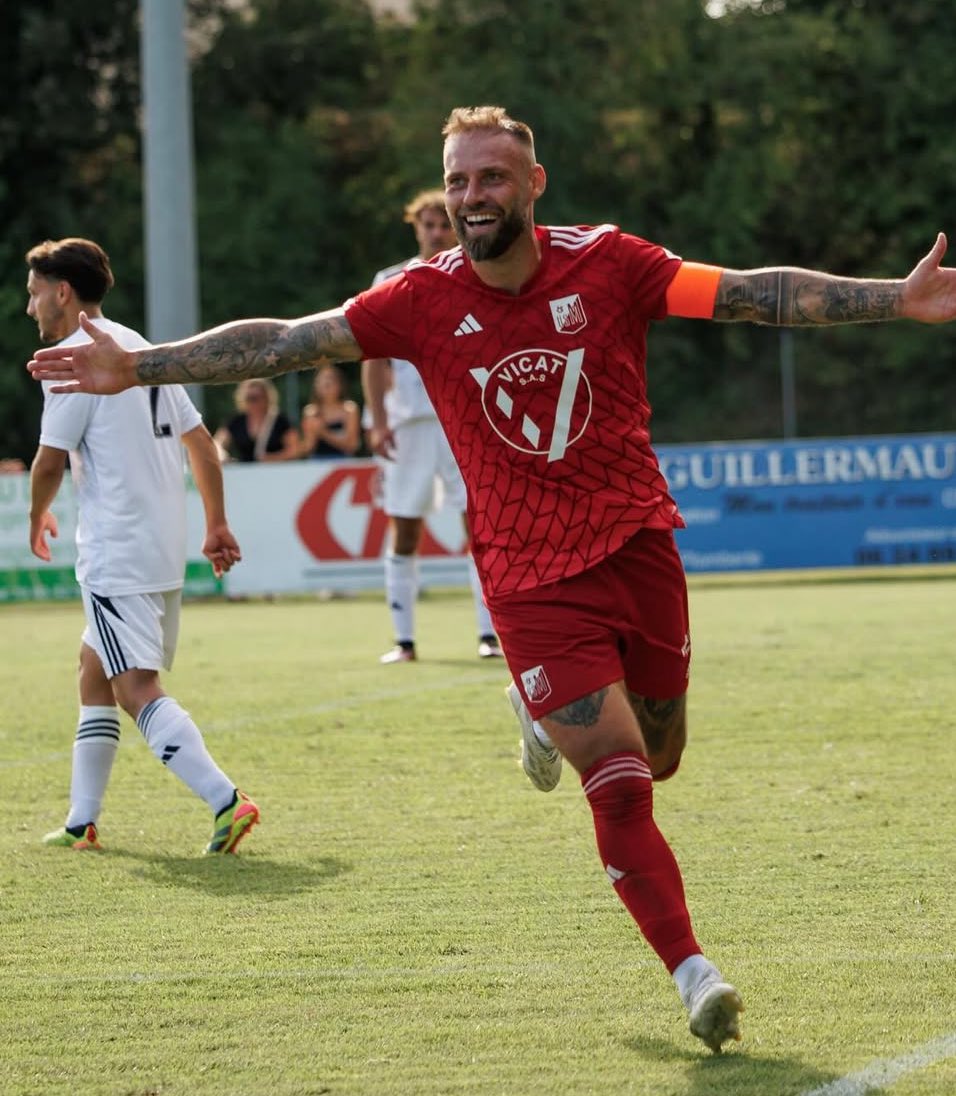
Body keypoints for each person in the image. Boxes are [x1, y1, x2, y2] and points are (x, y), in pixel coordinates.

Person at [27, 107, 956, 1052]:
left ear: (534, 184)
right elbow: (285, 341)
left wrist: (897, 297)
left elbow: (754, 294)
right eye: (460, 181)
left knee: (664, 749)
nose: (473, 198)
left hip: (636, 544)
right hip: (526, 576)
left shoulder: (611, 263)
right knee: (623, 782)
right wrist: (140, 364)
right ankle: (693, 973)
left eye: (492, 180)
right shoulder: (420, 297)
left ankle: (532, 707)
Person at [25, 237, 259, 855]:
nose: (30, 309)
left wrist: (36, 517)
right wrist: (216, 524)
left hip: (116, 552)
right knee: (92, 670)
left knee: (135, 687)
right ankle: (82, 820)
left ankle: (225, 801)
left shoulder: (72, 361)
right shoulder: (143, 351)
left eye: (33, 293)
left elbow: (49, 461)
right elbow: (203, 445)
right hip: (159, 548)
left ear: (62, 292)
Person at [361, 188, 503, 663]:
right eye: (429, 224)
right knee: (404, 527)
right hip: (411, 424)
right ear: (415, 226)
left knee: (479, 527)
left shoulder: (476, 273)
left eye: (444, 223)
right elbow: (373, 357)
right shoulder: (390, 280)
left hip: (465, 420)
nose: (437, 231)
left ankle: (490, 634)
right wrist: (378, 421)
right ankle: (404, 641)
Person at [213, 377, 299, 462]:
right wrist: (222, 455)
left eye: (256, 398)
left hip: (276, 471)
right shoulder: (236, 421)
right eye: (249, 398)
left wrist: (273, 458)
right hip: (245, 472)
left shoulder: (280, 421)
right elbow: (218, 442)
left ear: (267, 398)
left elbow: (295, 450)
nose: (252, 402)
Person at [300, 362, 361, 459]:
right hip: (316, 463)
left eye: (330, 379)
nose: (326, 383)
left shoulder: (349, 409)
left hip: (343, 462)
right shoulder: (310, 412)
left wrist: (323, 432)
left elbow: (352, 446)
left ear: (340, 384)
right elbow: (308, 448)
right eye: (322, 380)